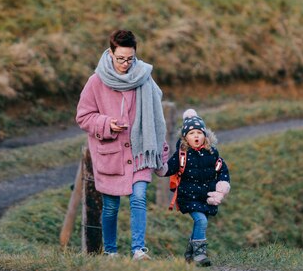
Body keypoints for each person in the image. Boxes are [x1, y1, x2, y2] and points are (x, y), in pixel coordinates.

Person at [76, 29, 168, 260]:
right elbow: (83, 117)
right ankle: (111, 252)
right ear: (110, 53)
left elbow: (157, 114)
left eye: (130, 58)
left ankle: (138, 250)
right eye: (120, 58)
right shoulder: (96, 81)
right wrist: (107, 124)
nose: (125, 64)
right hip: (111, 154)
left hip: (140, 152)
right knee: (111, 207)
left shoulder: (144, 77)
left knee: (138, 198)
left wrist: (162, 149)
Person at [157, 108, 231, 267]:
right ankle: (200, 255)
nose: (196, 136)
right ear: (185, 137)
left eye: (199, 132)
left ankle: (190, 255)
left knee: (200, 223)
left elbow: (222, 170)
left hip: (206, 197)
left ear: (205, 135)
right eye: (191, 133)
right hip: (188, 196)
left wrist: (221, 188)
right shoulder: (182, 154)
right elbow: (168, 168)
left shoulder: (212, 153)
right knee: (201, 221)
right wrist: (159, 166)